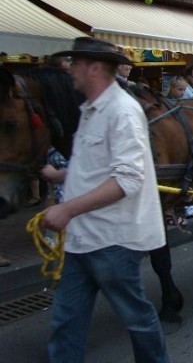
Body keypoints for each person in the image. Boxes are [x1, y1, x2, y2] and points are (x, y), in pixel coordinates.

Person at [42, 37, 169, 362]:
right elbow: (98, 167)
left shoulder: (122, 112)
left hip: (114, 239)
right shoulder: (90, 109)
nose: (70, 70)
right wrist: (63, 175)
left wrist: (67, 208)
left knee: (137, 319)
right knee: (66, 323)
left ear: (94, 68)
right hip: (83, 238)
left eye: (76, 64)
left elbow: (126, 179)